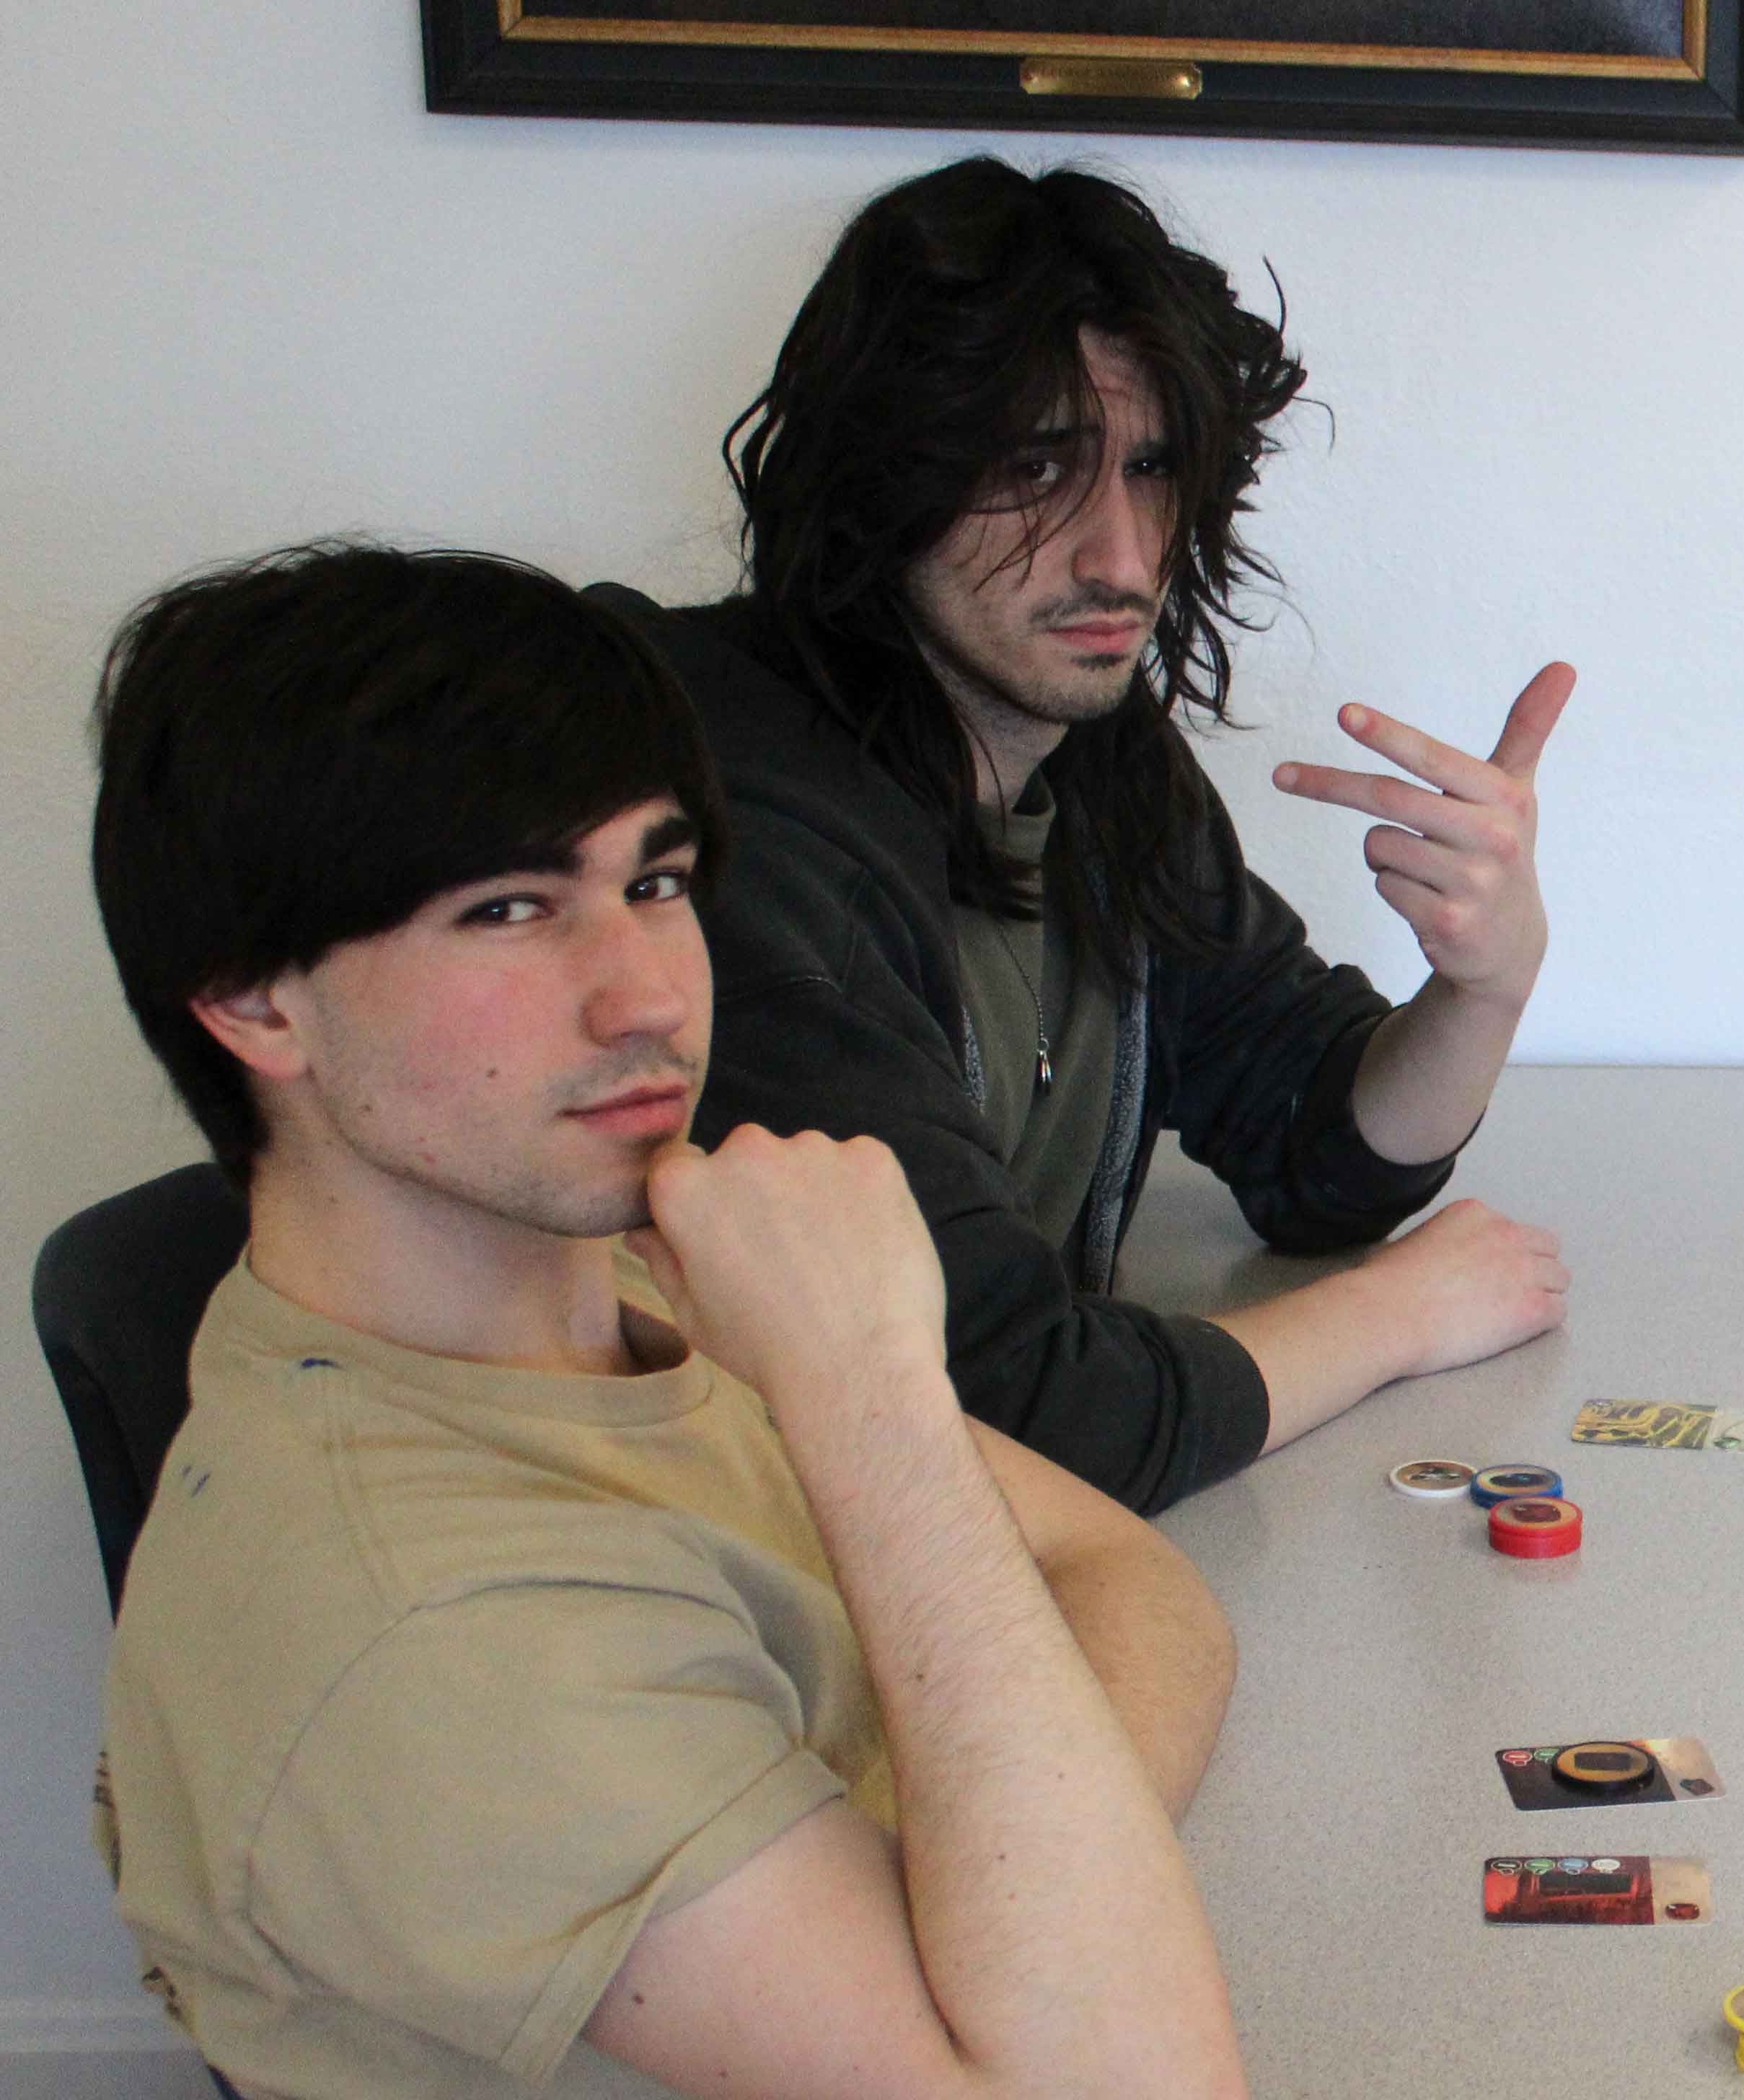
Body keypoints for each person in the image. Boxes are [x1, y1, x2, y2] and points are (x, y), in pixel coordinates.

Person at [87, 545, 1255, 2100]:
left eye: (655, 877)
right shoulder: (417, 1615)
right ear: (255, 1005)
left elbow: (1135, 1579)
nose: (647, 993)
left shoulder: (604, 1272)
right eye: (508, 912)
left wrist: (957, 1973)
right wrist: (877, 1389)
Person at [595, 156, 1571, 1514]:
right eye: (1034, 467)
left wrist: (1486, 983)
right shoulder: (732, 838)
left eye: (1154, 469)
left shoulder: (1084, 748)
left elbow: (1315, 1152)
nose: (1118, 556)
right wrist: (1400, 1316)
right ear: (883, 477)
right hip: (769, 1562)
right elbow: (1007, 1406)